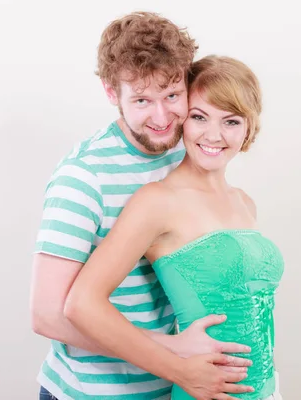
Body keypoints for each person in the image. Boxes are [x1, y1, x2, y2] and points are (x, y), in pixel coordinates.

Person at [30, 12, 253, 400]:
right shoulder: (84, 177)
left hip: (169, 388)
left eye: (171, 95)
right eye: (142, 100)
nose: (162, 117)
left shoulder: (189, 147)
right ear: (111, 92)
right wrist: (170, 352)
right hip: (91, 393)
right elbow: (47, 314)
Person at [65, 55, 284, 400]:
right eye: (199, 117)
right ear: (183, 121)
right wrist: (178, 368)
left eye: (230, 121)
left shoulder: (244, 202)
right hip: (205, 391)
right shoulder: (157, 201)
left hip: (265, 391)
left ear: (248, 127)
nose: (213, 135)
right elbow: (81, 304)